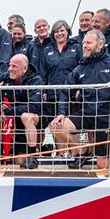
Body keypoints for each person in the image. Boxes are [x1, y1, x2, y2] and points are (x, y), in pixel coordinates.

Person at [51, 30, 110, 170]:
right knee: (56, 127)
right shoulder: (79, 69)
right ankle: (83, 151)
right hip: (87, 113)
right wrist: (62, 113)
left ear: (100, 45)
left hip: (107, 118)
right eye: (83, 43)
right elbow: (64, 90)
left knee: (102, 165)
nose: (84, 46)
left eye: (88, 42)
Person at [38, 20, 81, 154]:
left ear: (67, 31)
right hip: (53, 94)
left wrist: (80, 88)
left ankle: (76, 154)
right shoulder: (47, 50)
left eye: (62, 30)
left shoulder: (77, 47)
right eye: (56, 31)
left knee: (70, 125)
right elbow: (43, 72)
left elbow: (82, 68)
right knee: (56, 124)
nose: (59, 33)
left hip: (72, 93)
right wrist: (44, 90)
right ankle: (61, 154)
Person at [0, 54, 44, 169]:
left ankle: (33, 155)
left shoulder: (36, 80)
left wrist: (9, 111)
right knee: (19, 161)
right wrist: (1, 111)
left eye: (14, 66)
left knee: (26, 116)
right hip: (18, 121)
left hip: (37, 118)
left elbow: (33, 107)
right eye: (9, 66)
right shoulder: (5, 79)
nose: (10, 69)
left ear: (24, 69)